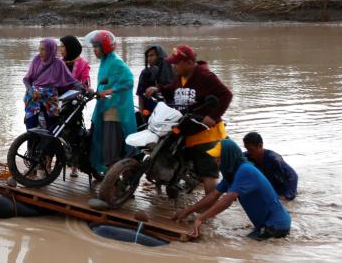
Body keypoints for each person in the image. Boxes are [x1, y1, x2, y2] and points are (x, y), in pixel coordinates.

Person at [144, 44, 232, 195]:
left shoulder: (206, 77)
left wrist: (212, 116)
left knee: (208, 174)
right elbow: (172, 90)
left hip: (206, 133)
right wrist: (157, 90)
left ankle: (207, 213)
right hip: (187, 128)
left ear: (189, 62)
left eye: (177, 62)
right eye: (172, 62)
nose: (173, 65)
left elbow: (226, 95)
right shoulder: (180, 77)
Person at [173, 139, 291, 241]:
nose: (216, 161)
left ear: (228, 156)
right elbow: (214, 195)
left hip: (276, 225)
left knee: (245, 248)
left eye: (219, 157)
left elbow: (227, 201)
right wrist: (187, 211)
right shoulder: (232, 173)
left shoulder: (245, 171)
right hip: (268, 225)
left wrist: (201, 218)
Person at [86, 30, 136, 175]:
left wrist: (109, 91)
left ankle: (114, 183)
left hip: (115, 111)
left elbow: (129, 81)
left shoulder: (116, 62)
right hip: (106, 108)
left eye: (96, 47)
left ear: (105, 47)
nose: (94, 50)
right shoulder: (105, 62)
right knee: (103, 145)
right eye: (94, 47)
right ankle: (108, 177)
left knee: (111, 149)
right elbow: (106, 82)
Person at [22, 39, 80, 130]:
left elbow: (71, 80)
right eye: (39, 49)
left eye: (43, 50)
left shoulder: (58, 63)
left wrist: (85, 88)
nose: (40, 52)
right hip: (34, 97)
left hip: (50, 98)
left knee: (51, 127)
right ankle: (31, 141)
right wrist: (30, 90)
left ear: (51, 50)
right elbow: (26, 79)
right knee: (31, 125)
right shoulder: (36, 60)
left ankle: (49, 141)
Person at [59, 35, 91, 177]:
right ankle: (48, 161)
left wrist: (85, 89)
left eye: (63, 46)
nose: (61, 49)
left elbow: (86, 83)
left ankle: (74, 166)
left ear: (70, 48)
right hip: (58, 101)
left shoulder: (83, 64)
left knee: (74, 133)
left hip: (74, 104)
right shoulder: (59, 63)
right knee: (55, 130)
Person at [243, 132, 298, 200]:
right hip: (267, 189)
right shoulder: (246, 157)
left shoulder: (274, 159)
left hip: (280, 191)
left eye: (251, 150)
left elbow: (293, 176)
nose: (249, 152)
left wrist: (287, 196)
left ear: (260, 146)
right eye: (247, 149)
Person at [136, 45, 174, 117]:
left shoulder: (170, 70)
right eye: (148, 56)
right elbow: (140, 94)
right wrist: (141, 110)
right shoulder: (145, 73)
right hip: (149, 110)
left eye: (152, 55)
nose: (149, 59)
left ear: (159, 56)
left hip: (167, 109)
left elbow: (172, 90)